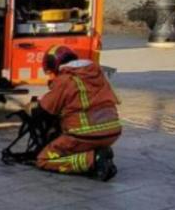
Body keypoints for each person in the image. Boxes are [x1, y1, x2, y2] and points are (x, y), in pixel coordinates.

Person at [28, 45, 120, 181]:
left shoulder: (65, 79)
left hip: (84, 135)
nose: (50, 76)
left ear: (55, 66)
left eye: (49, 72)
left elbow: (45, 109)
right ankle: (98, 153)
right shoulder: (96, 74)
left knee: (44, 159)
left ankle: (93, 159)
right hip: (112, 132)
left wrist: (32, 106)